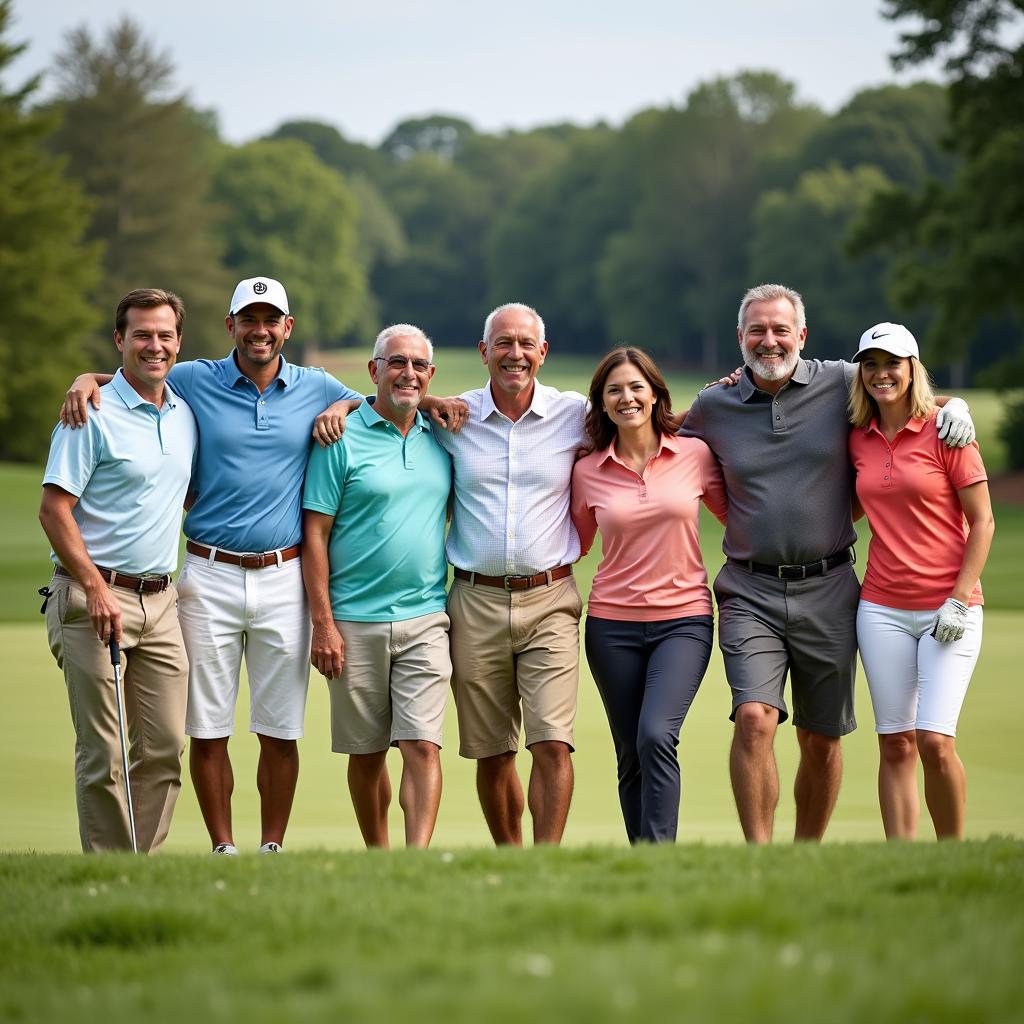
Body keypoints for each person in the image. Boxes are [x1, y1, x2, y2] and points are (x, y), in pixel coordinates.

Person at [681, 283, 976, 843]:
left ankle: (806, 855)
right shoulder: (713, 405)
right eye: (757, 331)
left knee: (821, 739)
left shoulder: (841, 380)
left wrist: (953, 405)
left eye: (780, 330)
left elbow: (900, 392)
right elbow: (658, 435)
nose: (770, 341)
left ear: (802, 336)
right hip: (749, 589)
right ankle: (759, 859)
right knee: (753, 718)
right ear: (740, 338)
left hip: (830, 586)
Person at [39, 289, 197, 853]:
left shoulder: (184, 411)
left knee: (163, 749)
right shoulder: (90, 414)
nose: (154, 346)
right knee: (103, 754)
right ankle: (108, 871)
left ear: (178, 342)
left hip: (162, 603)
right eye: (141, 335)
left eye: (164, 335)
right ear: (119, 341)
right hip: (92, 600)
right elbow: (54, 509)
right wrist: (94, 588)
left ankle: (142, 869)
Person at [433, 302, 587, 846]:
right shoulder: (453, 417)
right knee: (492, 749)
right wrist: (425, 398)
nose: (515, 353)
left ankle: (546, 862)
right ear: (484, 352)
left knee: (552, 741)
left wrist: (729, 387)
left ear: (542, 353)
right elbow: (381, 404)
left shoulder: (576, 415)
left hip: (550, 599)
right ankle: (512, 859)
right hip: (474, 600)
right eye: (503, 343)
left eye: (526, 344)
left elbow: (647, 414)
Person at [301, 325, 452, 848]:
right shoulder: (338, 437)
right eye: (396, 362)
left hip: (427, 617)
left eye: (418, 365)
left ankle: (414, 862)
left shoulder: (444, 436)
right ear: (374, 371)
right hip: (352, 620)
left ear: (430, 376)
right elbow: (314, 535)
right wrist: (323, 623)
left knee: (422, 746)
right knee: (365, 754)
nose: (407, 373)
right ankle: (379, 856)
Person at [570, 348, 727, 843]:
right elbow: (576, 543)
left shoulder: (695, 455)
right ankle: (642, 862)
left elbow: (738, 520)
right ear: (601, 403)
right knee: (629, 750)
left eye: (637, 387)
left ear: (656, 393)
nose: (627, 397)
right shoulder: (587, 470)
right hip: (611, 626)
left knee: (656, 734)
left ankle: (661, 857)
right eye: (614, 390)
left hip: (683, 621)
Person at [848, 323, 994, 840]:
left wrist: (958, 598)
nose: (882, 374)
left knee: (934, 740)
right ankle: (903, 860)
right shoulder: (857, 435)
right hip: (881, 607)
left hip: (948, 608)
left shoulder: (948, 431)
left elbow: (983, 521)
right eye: (871, 364)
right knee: (896, 743)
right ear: (860, 372)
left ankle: (951, 855)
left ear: (913, 369)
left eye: (893, 364)